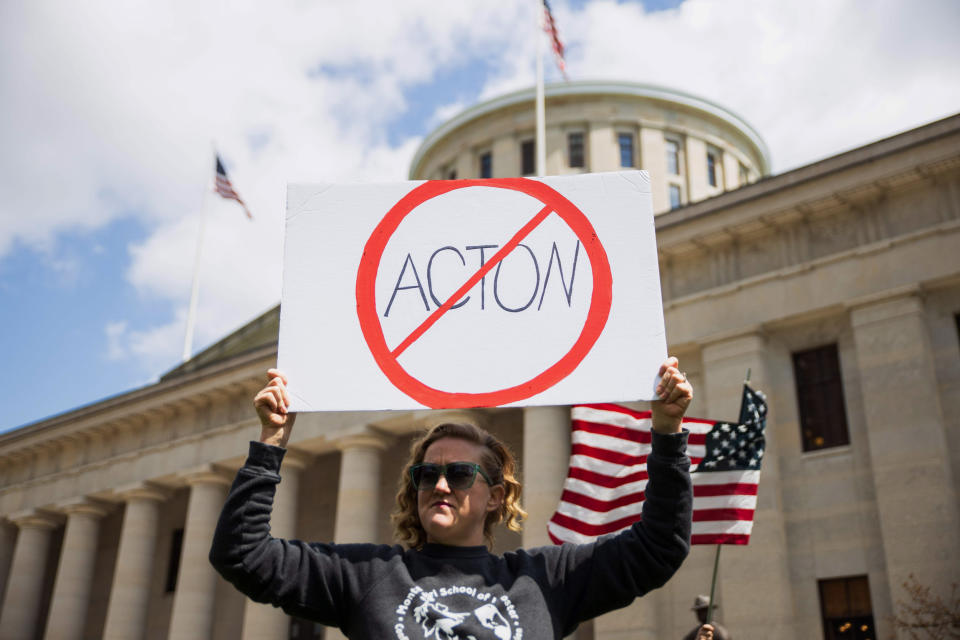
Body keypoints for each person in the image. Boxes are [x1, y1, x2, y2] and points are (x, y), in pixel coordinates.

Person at [209, 358, 694, 639]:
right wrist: (271, 441)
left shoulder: (544, 579)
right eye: (427, 475)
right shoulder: (367, 576)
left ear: (494, 497)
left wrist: (667, 431)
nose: (440, 486)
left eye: (460, 475)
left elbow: (659, 547)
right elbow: (243, 554)